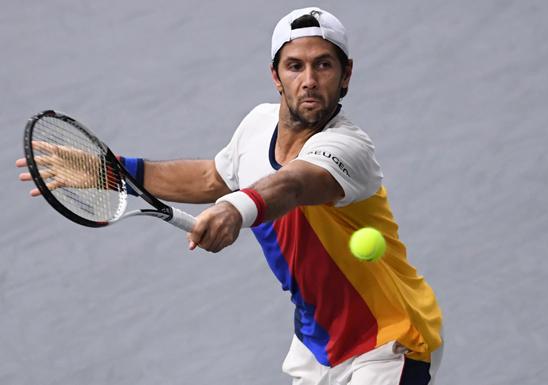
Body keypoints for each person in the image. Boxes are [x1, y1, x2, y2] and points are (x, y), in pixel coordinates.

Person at [17, 7, 443, 385]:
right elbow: (209, 178)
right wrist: (109, 172)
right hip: (318, 345)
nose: (309, 81)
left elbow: (292, 184)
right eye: (295, 67)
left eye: (323, 66)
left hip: (388, 341)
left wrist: (234, 210)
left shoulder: (350, 148)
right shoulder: (258, 125)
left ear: (346, 74)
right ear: (275, 76)